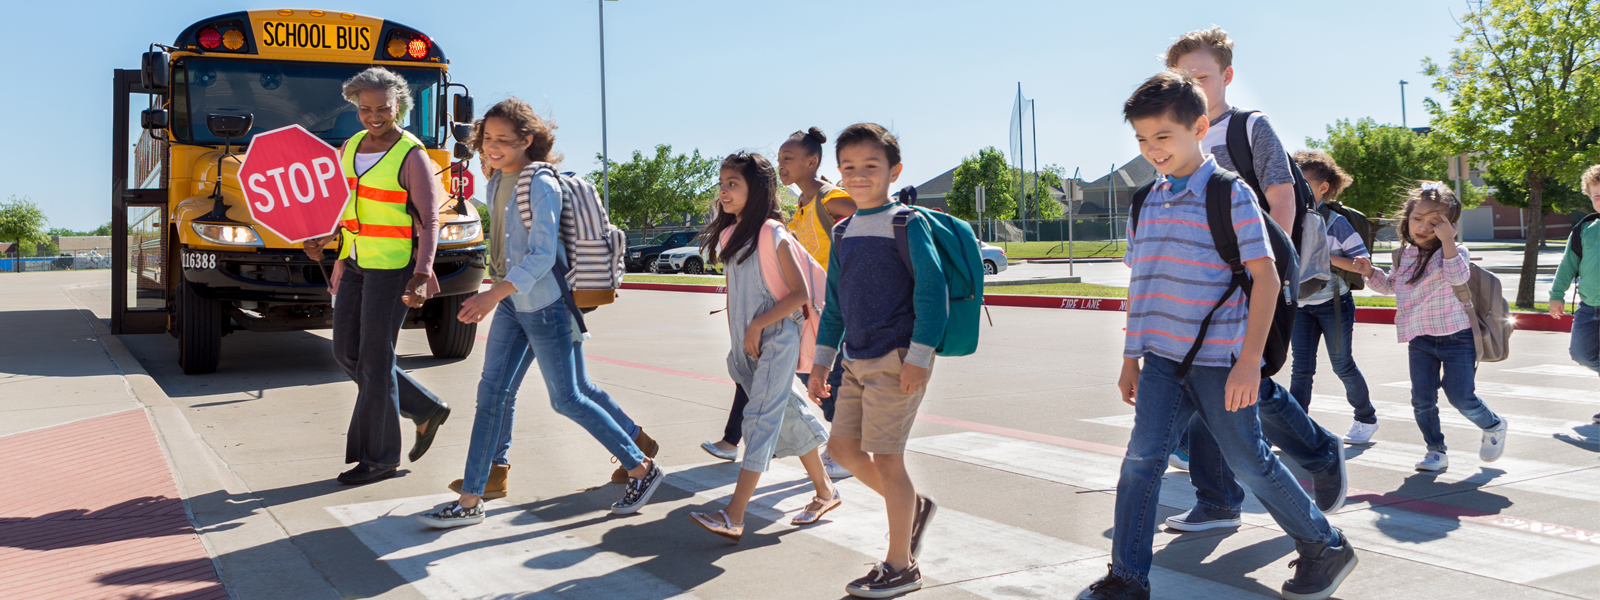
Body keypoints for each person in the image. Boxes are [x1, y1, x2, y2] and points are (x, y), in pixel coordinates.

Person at [1083, 71, 1356, 600]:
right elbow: (1143, 284)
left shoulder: (1229, 195)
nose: (1152, 149)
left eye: (1164, 136)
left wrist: (1250, 361)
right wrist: (1130, 357)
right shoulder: (1145, 202)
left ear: (1199, 128)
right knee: (1141, 461)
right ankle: (1128, 577)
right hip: (1161, 359)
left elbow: (1268, 278)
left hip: (1220, 359)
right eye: (1142, 139)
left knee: (1248, 460)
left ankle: (1325, 544)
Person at [417, 99, 662, 528]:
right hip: (512, 301)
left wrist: (493, 295)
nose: (492, 148)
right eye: (487, 139)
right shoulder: (494, 181)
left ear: (527, 140)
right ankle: (472, 499)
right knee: (491, 394)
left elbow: (542, 254)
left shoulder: (539, 182)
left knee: (567, 397)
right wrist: (497, 292)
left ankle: (642, 467)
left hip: (545, 304)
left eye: (503, 141)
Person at [1162, 26, 1348, 535]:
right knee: (1210, 381)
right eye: (1181, 77)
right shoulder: (1176, 134)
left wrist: (1265, 272)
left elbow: (1282, 197)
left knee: (1238, 381)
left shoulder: (1248, 127)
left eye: (1200, 76)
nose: (1191, 86)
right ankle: (1220, 498)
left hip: (1252, 279)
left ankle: (1313, 452)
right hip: (1200, 283)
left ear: (1226, 76)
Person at [808, 123, 945, 598]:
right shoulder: (843, 231)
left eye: (871, 166)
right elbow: (837, 304)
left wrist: (919, 358)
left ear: (894, 171)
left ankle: (900, 565)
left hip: (898, 357)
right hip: (855, 360)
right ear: (839, 173)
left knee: (888, 457)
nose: (859, 175)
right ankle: (911, 507)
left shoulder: (908, 223)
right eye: (849, 167)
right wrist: (823, 361)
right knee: (843, 451)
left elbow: (932, 294)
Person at [301, 67, 450, 486]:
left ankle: (381, 458)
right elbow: (340, 204)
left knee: (376, 359)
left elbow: (431, 219)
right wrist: (323, 237)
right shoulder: (348, 147)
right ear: (355, 106)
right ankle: (423, 406)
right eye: (365, 109)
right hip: (355, 261)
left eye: (383, 108)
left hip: (394, 266)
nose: (374, 116)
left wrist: (422, 273)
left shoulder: (411, 154)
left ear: (398, 104)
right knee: (346, 352)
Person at [686, 152, 838, 542]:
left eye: (733, 184)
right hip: (748, 345)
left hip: (777, 339)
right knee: (787, 413)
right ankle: (826, 492)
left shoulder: (773, 233)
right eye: (721, 184)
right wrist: (740, 338)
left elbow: (799, 295)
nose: (723, 191)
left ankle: (734, 515)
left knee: (761, 420)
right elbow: (737, 295)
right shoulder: (728, 235)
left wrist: (756, 325)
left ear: (756, 191)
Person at [701, 127, 856, 481]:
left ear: (811, 162)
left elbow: (871, 216)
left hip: (833, 303)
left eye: (788, 159)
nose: (781, 165)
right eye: (780, 159)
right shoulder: (799, 206)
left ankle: (844, 452)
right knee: (792, 379)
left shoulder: (830, 199)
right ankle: (827, 465)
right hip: (810, 306)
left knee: (823, 379)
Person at [1351, 183, 1509, 472]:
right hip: (1419, 338)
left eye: (1434, 222)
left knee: (1461, 396)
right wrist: (1370, 273)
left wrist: (1448, 241)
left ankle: (1494, 425)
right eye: (1417, 219)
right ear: (1406, 218)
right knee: (1422, 400)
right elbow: (1390, 287)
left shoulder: (1456, 250)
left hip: (1457, 337)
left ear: (1449, 225)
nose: (1423, 227)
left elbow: (1457, 277)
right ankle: (1436, 450)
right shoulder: (1404, 254)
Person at [1289, 151, 1377, 443]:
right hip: (1301, 305)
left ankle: (1366, 418)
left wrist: (1323, 255)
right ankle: (1295, 428)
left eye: (1302, 183)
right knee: (1301, 369)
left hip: (1334, 304)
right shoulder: (1290, 217)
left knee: (1342, 364)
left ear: (1323, 187)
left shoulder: (1336, 222)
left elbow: (1362, 264)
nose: (1294, 189)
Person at [1549, 164, 1600, 425]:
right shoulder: (1584, 229)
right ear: (1590, 198)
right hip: (1589, 308)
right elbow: (1568, 264)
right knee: (1581, 353)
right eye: (1597, 196)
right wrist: (1557, 294)